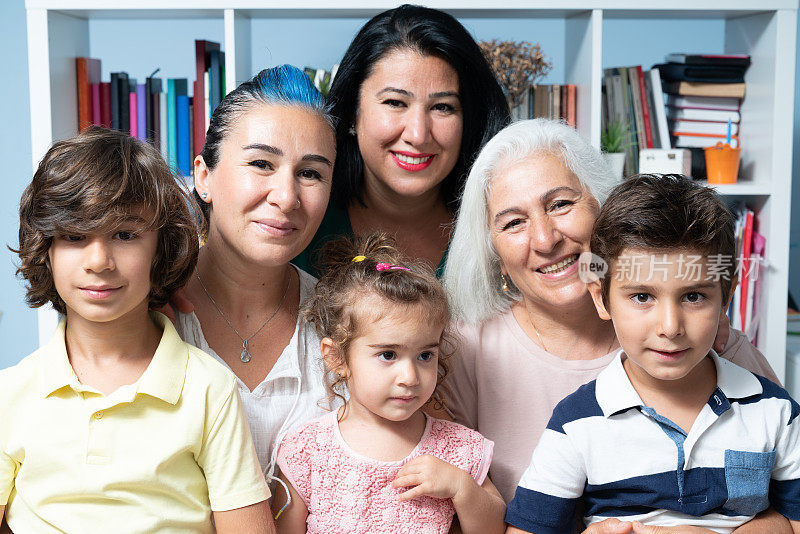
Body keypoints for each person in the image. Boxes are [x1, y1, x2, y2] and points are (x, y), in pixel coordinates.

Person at [443, 119, 788, 533]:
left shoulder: (705, 342)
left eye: (560, 205)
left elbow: (783, 495)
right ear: (495, 254)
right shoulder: (456, 353)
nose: (545, 238)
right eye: (513, 222)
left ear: (603, 207)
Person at [2, 127, 273, 533]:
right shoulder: (11, 393)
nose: (99, 261)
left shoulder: (207, 388)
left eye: (125, 235)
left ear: (161, 248)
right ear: (47, 249)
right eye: (75, 236)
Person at [505, 174, 800, 534]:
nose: (670, 326)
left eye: (694, 296)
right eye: (642, 297)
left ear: (727, 294)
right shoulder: (576, 424)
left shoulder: (775, 411)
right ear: (601, 297)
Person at [176, 65, 340, 492]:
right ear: (204, 176)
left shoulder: (349, 322)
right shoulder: (140, 314)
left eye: (311, 173)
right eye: (261, 163)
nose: (286, 198)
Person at [272, 234, 506, 534]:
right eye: (388, 354)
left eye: (425, 355)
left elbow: (495, 530)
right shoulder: (307, 451)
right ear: (337, 358)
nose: (410, 377)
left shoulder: (456, 449)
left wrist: (462, 488)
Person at [294, 4, 510, 278]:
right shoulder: (298, 215)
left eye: (443, 107)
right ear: (352, 112)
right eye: (395, 102)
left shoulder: (503, 225)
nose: (418, 135)